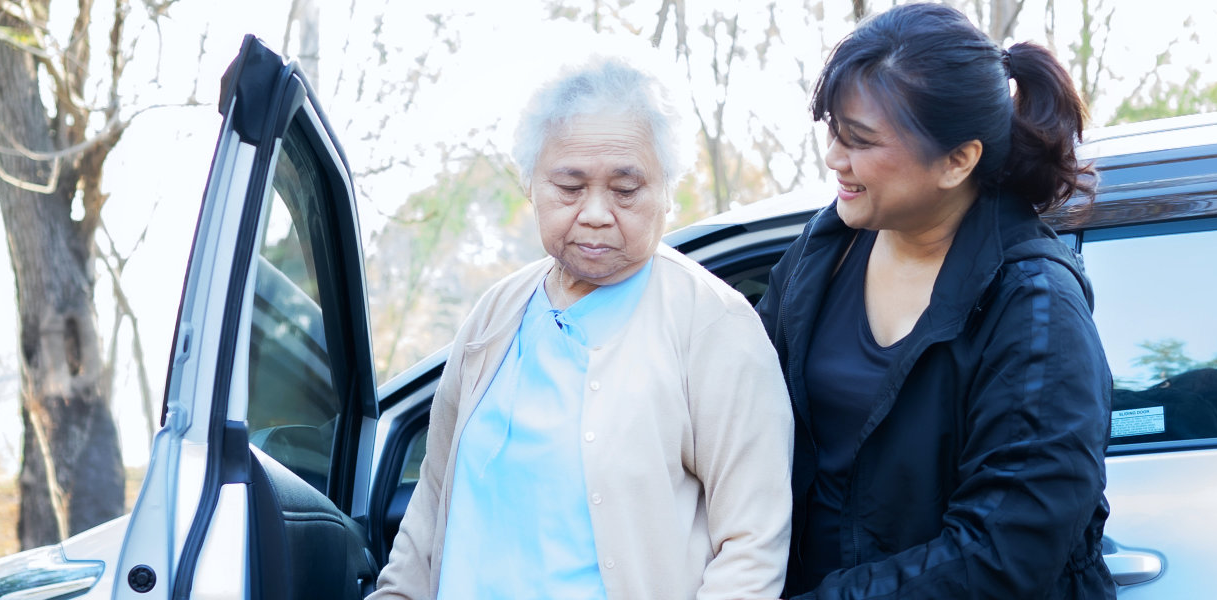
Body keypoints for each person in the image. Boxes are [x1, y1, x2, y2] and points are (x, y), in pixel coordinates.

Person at [370, 53, 794, 600]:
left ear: (667, 189)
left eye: (625, 190)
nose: (595, 212)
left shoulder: (715, 326)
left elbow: (752, 544)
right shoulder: (496, 313)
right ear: (532, 185)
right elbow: (432, 499)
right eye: (570, 187)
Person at [754, 3, 1115, 598]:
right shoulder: (826, 250)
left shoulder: (1034, 310)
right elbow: (735, 402)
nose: (833, 157)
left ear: (957, 160)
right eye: (833, 131)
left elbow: (1002, 553)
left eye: (860, 140)